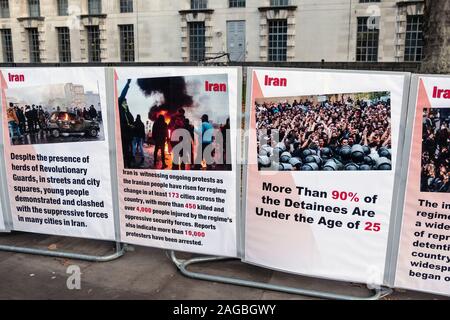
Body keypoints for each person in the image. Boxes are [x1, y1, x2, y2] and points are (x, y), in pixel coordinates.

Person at [118, 79, 135, 168]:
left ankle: (128, 165)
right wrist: (127, 84)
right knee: (124, 151)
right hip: (123, 134)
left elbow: (131, 120)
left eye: (126, 102)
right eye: (124, 101)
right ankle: (124, 166)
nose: (126, 103)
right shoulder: (120, 108)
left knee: (127, 150)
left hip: (128, 135)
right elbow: (123, 94)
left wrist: (132, 126)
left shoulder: (127, 111)